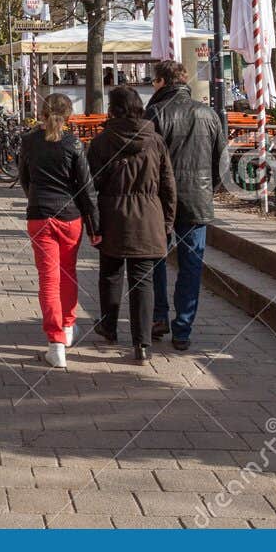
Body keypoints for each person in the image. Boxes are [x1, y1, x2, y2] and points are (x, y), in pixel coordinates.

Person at [86, 86, 176, 362]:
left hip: (112, 215)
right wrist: (168, 221)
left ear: (113, 109)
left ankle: (109, 326)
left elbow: (91, 185)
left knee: (111, 274)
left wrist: (93, 223)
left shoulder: (101, 142)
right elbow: (168, 185)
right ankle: (143, 343)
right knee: (143, 281)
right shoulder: (155, 140)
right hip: (149, 215)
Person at [145, 59, 225, 352]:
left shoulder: (155, 112)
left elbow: (147, 161)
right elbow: (221, 161)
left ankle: (158, 316)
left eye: (154, 81)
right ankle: (183, 327)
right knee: (191, 265)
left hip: (159, 201)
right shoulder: (208, 113)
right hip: (197, 199)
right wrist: (208, 188)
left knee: (155, 258)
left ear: (162, 81)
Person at [17, 92, 99, 368]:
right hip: (70, 217)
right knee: (68, 274)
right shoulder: (74, 144)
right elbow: (86, 188)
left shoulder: (29, 141)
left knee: (48, 281)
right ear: (69, 116)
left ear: (41, 112)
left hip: (40, 216)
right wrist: (94, 224)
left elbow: (24, 178)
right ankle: (67, 326)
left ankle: (55, 344)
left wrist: (36, 198)